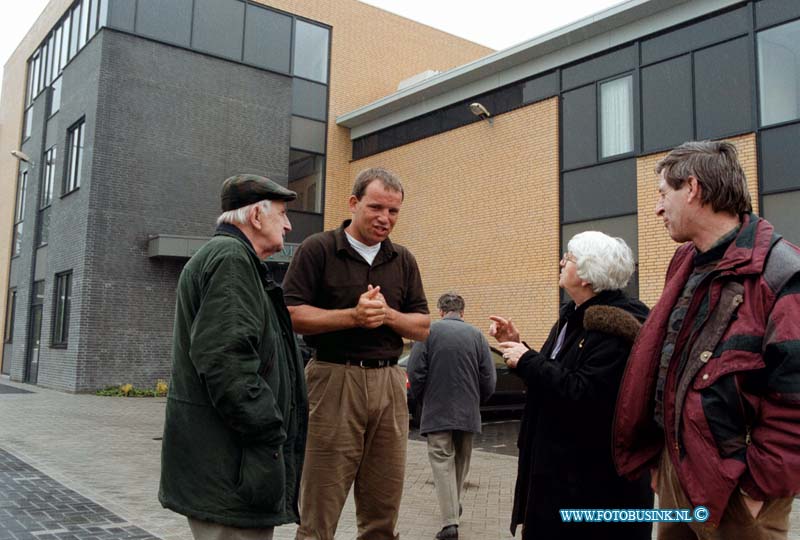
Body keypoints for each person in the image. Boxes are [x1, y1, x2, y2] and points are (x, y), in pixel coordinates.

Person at [613, 140, 800, 539]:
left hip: (740, 487)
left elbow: (794, 394)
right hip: (677, 468)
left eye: (664, 194)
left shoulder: (781, 272)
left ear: (693, 189)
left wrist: (757, 488)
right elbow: (669, 362)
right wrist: (662, 462)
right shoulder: (685, 262)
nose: (658, 208)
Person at [282, 167, 431, 540]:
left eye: (393, 211)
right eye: (376, 207)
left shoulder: (403, 259)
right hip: (333, 379)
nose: (385, 218)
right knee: (320, 507)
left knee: (383, 509)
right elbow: (291, 315)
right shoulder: (318, 249)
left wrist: (388, 315)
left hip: (390, 383)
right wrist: (353, 315)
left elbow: (423, 327)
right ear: (353, 203)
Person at [159, 174, 308, 540]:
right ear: (256, 217)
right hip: (232, 469)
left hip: (229, 466)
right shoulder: (231, 260)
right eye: (283, 213)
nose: (289, 224)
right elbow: (226, 360)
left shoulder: (232, 259)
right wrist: (271, 429)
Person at [491, 231, 653, 540]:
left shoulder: (616, 328)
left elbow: (585, 394)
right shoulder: (572, 316)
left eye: (571, 257)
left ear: (589, 276)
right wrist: (517, 347)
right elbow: (555, 374)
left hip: (591, 489)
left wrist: (527, 360)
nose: (562, 261)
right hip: (557, 478)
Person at [407, 292, 497, 540]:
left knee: (441, 464)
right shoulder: (477, 336)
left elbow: (415, 373)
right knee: (460, 464)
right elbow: (489, 378)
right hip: (468, 413)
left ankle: (450, 523)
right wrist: (477, 400)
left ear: (440, 311)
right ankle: (452, 512)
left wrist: (425, 399)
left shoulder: (428, 334)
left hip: (437, 412)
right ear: (463, 312)